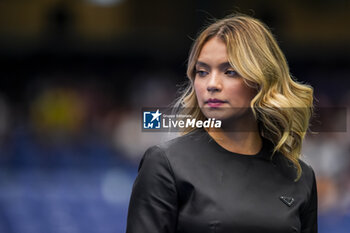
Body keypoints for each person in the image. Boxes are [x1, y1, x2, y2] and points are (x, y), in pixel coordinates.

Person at [126, 13, 317, 233]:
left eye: (230, 71)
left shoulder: (300, 176)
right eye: (202, 72)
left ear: (262, 81)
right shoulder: (165, 164)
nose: (212, 84)